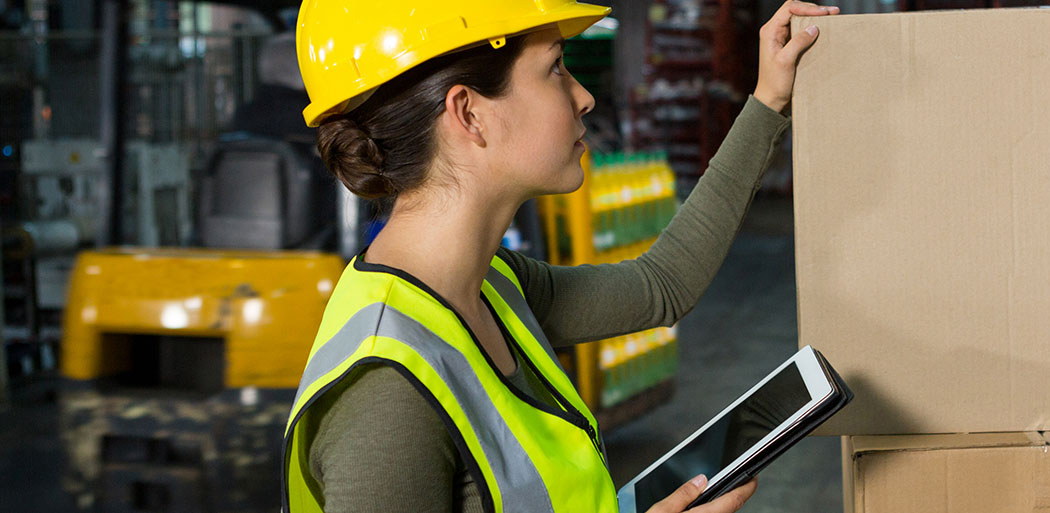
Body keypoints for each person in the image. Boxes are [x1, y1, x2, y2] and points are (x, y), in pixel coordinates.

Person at [278, 0, 837, 512]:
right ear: (468, 114)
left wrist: (769, 100)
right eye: (555, 67)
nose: (584, 95)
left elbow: (663, 285)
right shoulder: (388, 394)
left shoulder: (492, 285)